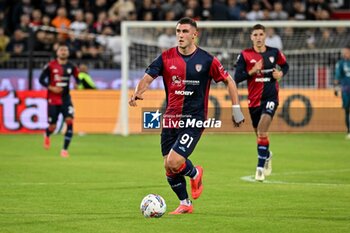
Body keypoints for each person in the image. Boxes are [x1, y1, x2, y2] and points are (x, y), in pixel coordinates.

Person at [129, 17, 244, 214]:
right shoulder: (165, 57)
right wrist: (139, 91)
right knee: (168, 166)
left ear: (194, 35)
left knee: (175, 162)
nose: (180, 35)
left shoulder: (207, 60)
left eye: (184, 32)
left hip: (194, 119)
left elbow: (229, 81)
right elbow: (148, 77)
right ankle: (185, 203)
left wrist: (236, 108)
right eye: (178, 31)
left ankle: (195, 172)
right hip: (171, 118)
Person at [234, 24, 289, 182]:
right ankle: (267, 154)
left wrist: (280, 73)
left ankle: (259, 169)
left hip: (271, 97)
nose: (258, 37)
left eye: (261, 34)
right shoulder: (245, 55)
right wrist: (252, 71)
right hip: (254, 101)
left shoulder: (274, 52)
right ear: (251, 37)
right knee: (259, 134)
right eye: (255, 35)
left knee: (262, 129)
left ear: (265, 36)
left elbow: (285, 65)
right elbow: (237, 78)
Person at [39, 44, 80, 158]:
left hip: (66, 98)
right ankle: (47, 134)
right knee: (52, 126)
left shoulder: (71, 66)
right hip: (53, 99)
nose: (63, 52)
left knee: (69, 121)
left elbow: (77, 77)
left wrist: (77, 83)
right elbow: (41, 79)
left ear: (68, 53)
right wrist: (51, 88)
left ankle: (64, 150)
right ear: (57, 52)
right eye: (61, 50)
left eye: (65, 50)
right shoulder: (50, 66)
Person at [334, 45, 350, 139]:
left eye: (347, 52)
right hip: (346, 90)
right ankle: (348, 130)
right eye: (344, 52)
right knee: (347, 110)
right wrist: (335, 88)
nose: (345, 54)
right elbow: (337, 76)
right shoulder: (341, 63)